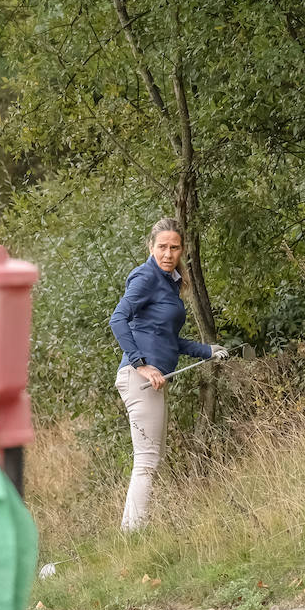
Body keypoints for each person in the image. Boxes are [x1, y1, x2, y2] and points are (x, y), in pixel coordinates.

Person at [109, 218, 228, 530]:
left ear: (182, 250)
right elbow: (118, 319)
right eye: (162, 247)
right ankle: (132, 535)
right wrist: (141, 364)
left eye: (174, 247)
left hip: (154, 382)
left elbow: (168, 339)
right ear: (151, 247)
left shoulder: (170, 283)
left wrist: (208, 351)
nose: (168, 253)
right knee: (146, 460)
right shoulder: (146, 277)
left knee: (153, 459)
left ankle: (135, 530)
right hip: (140, 380)